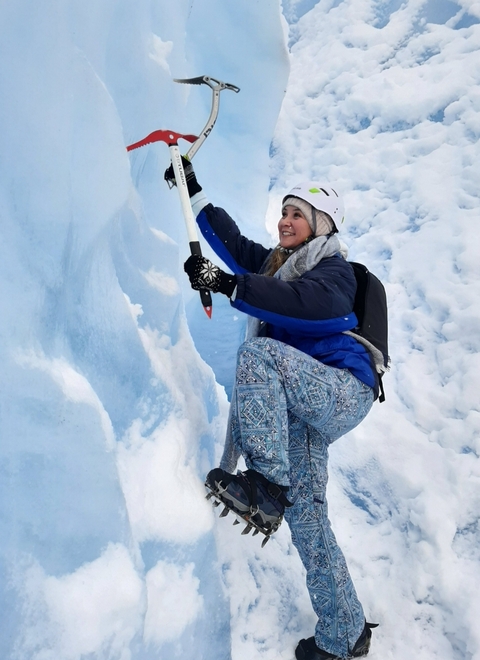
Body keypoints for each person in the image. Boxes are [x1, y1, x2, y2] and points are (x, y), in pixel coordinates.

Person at [168, 160, 379, 660]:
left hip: (343, 388)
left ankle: (266, 485)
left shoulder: (335, 272)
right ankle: (344, 634)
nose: (285, 220)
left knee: (258, 354)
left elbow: (309, 304)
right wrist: (193, 190)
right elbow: (237, 250)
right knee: (308, 519)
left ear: (321, 226)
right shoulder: (278, 267)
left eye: (298, 215)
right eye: (283, 211)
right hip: (305, 400)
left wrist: (228, 286)